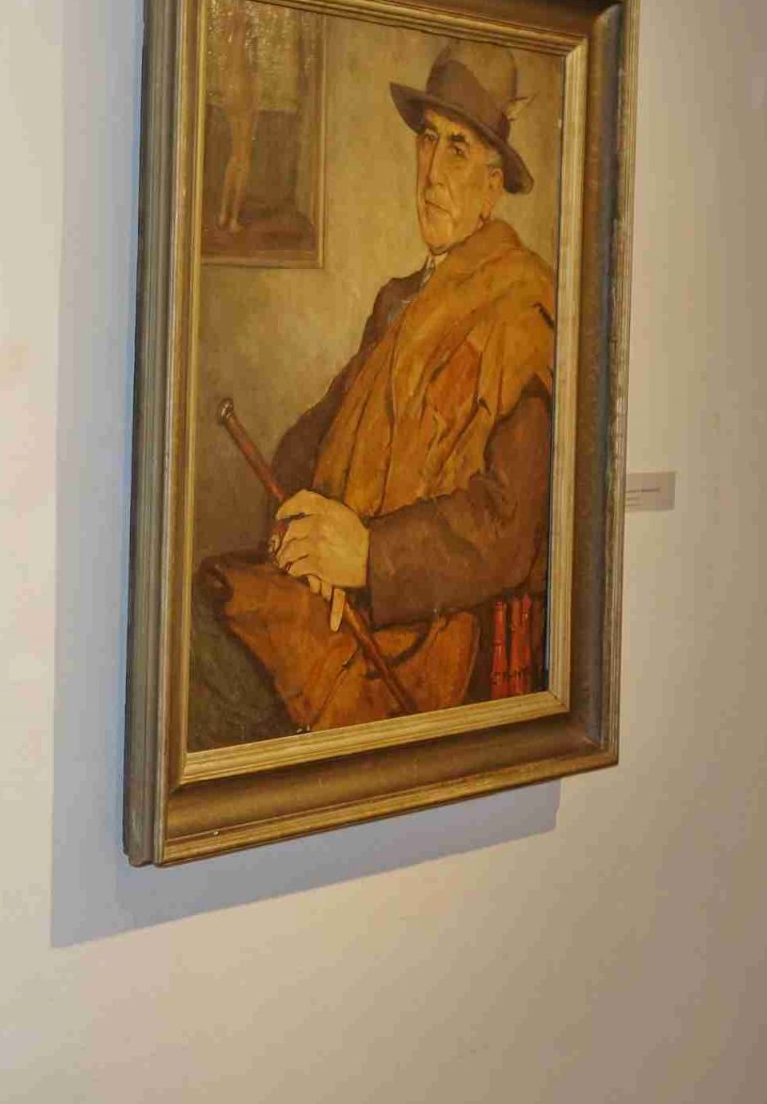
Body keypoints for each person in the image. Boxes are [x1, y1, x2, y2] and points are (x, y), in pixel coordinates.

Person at [218, 39, 555, 731]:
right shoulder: (398, 301)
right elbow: (308, 444)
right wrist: (304, 529)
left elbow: (509, 526)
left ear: (494, 184)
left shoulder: (523, 308)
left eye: (458, 149)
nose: (431, 172)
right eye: (427, 140)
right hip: (328, 602)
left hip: (419, 642)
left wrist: (370, 556)